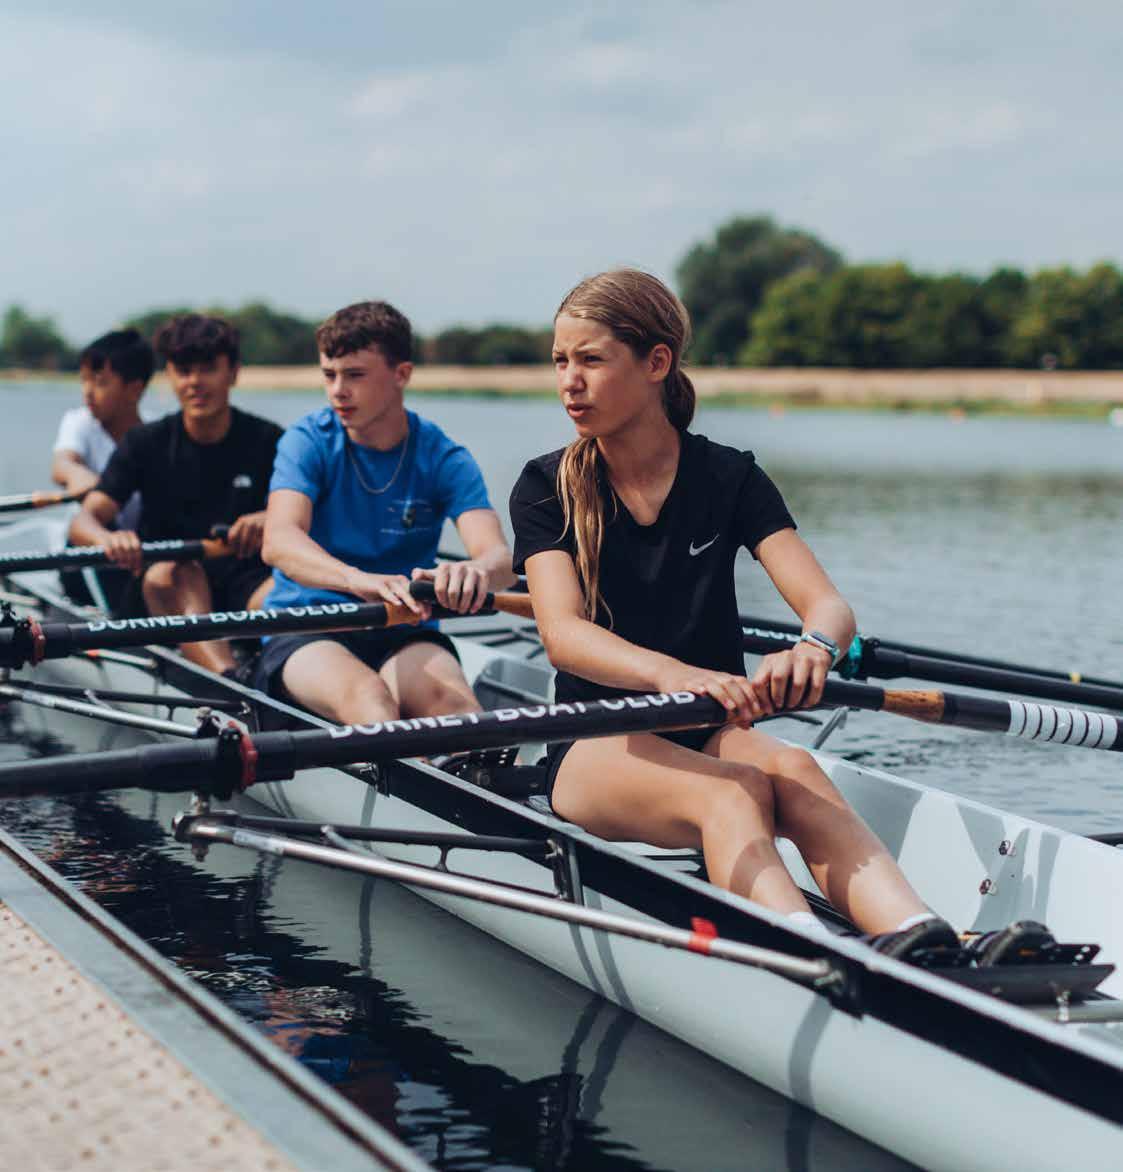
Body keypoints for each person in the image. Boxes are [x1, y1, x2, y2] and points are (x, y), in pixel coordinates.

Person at [508, 269, 954, 954]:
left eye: (590, 360)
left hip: (710, 725)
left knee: (796, 772)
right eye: (560, 361)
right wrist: (671, 674)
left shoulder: (729, 476)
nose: (569, 381)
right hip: (598, 739)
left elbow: (828, 606)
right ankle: (808, 954)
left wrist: (812, 649)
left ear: (656, 363)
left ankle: (921, 937)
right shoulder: (546, 486)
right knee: (731, 794)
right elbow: (563, 635)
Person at [257, 299, 514, 725]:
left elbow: (499, 560)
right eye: (329, 375)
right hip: (310, 625)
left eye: (354, 375)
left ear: (402, 374)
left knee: (457, 712)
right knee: (369, 700)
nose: (337, 390)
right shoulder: (308, 441)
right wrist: (356, 580)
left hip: (403, 626)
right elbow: (279, 541)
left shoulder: (444, 457)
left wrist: (474, 573)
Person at [70, 314, 282, 675]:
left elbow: (303, 516)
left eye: (208, 369)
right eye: (184, 371)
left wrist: (270, 519)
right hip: (164, 580)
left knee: (285, 593)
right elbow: (83, 521)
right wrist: (108, 539)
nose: (195, 382)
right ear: (169, 375)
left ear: (233, 373)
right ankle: (229, 682)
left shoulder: (268, 440)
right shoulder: (145, 442)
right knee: (174, 574)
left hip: (240, 579)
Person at [53, 327, 154, 532]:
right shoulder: (80, 422)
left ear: (134, 390)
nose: (87, 392)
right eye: (84, 380)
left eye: (100, 382)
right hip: (88, 540)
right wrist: (78, 476)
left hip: (141, 541)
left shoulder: (157, 431)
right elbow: (62, 464)